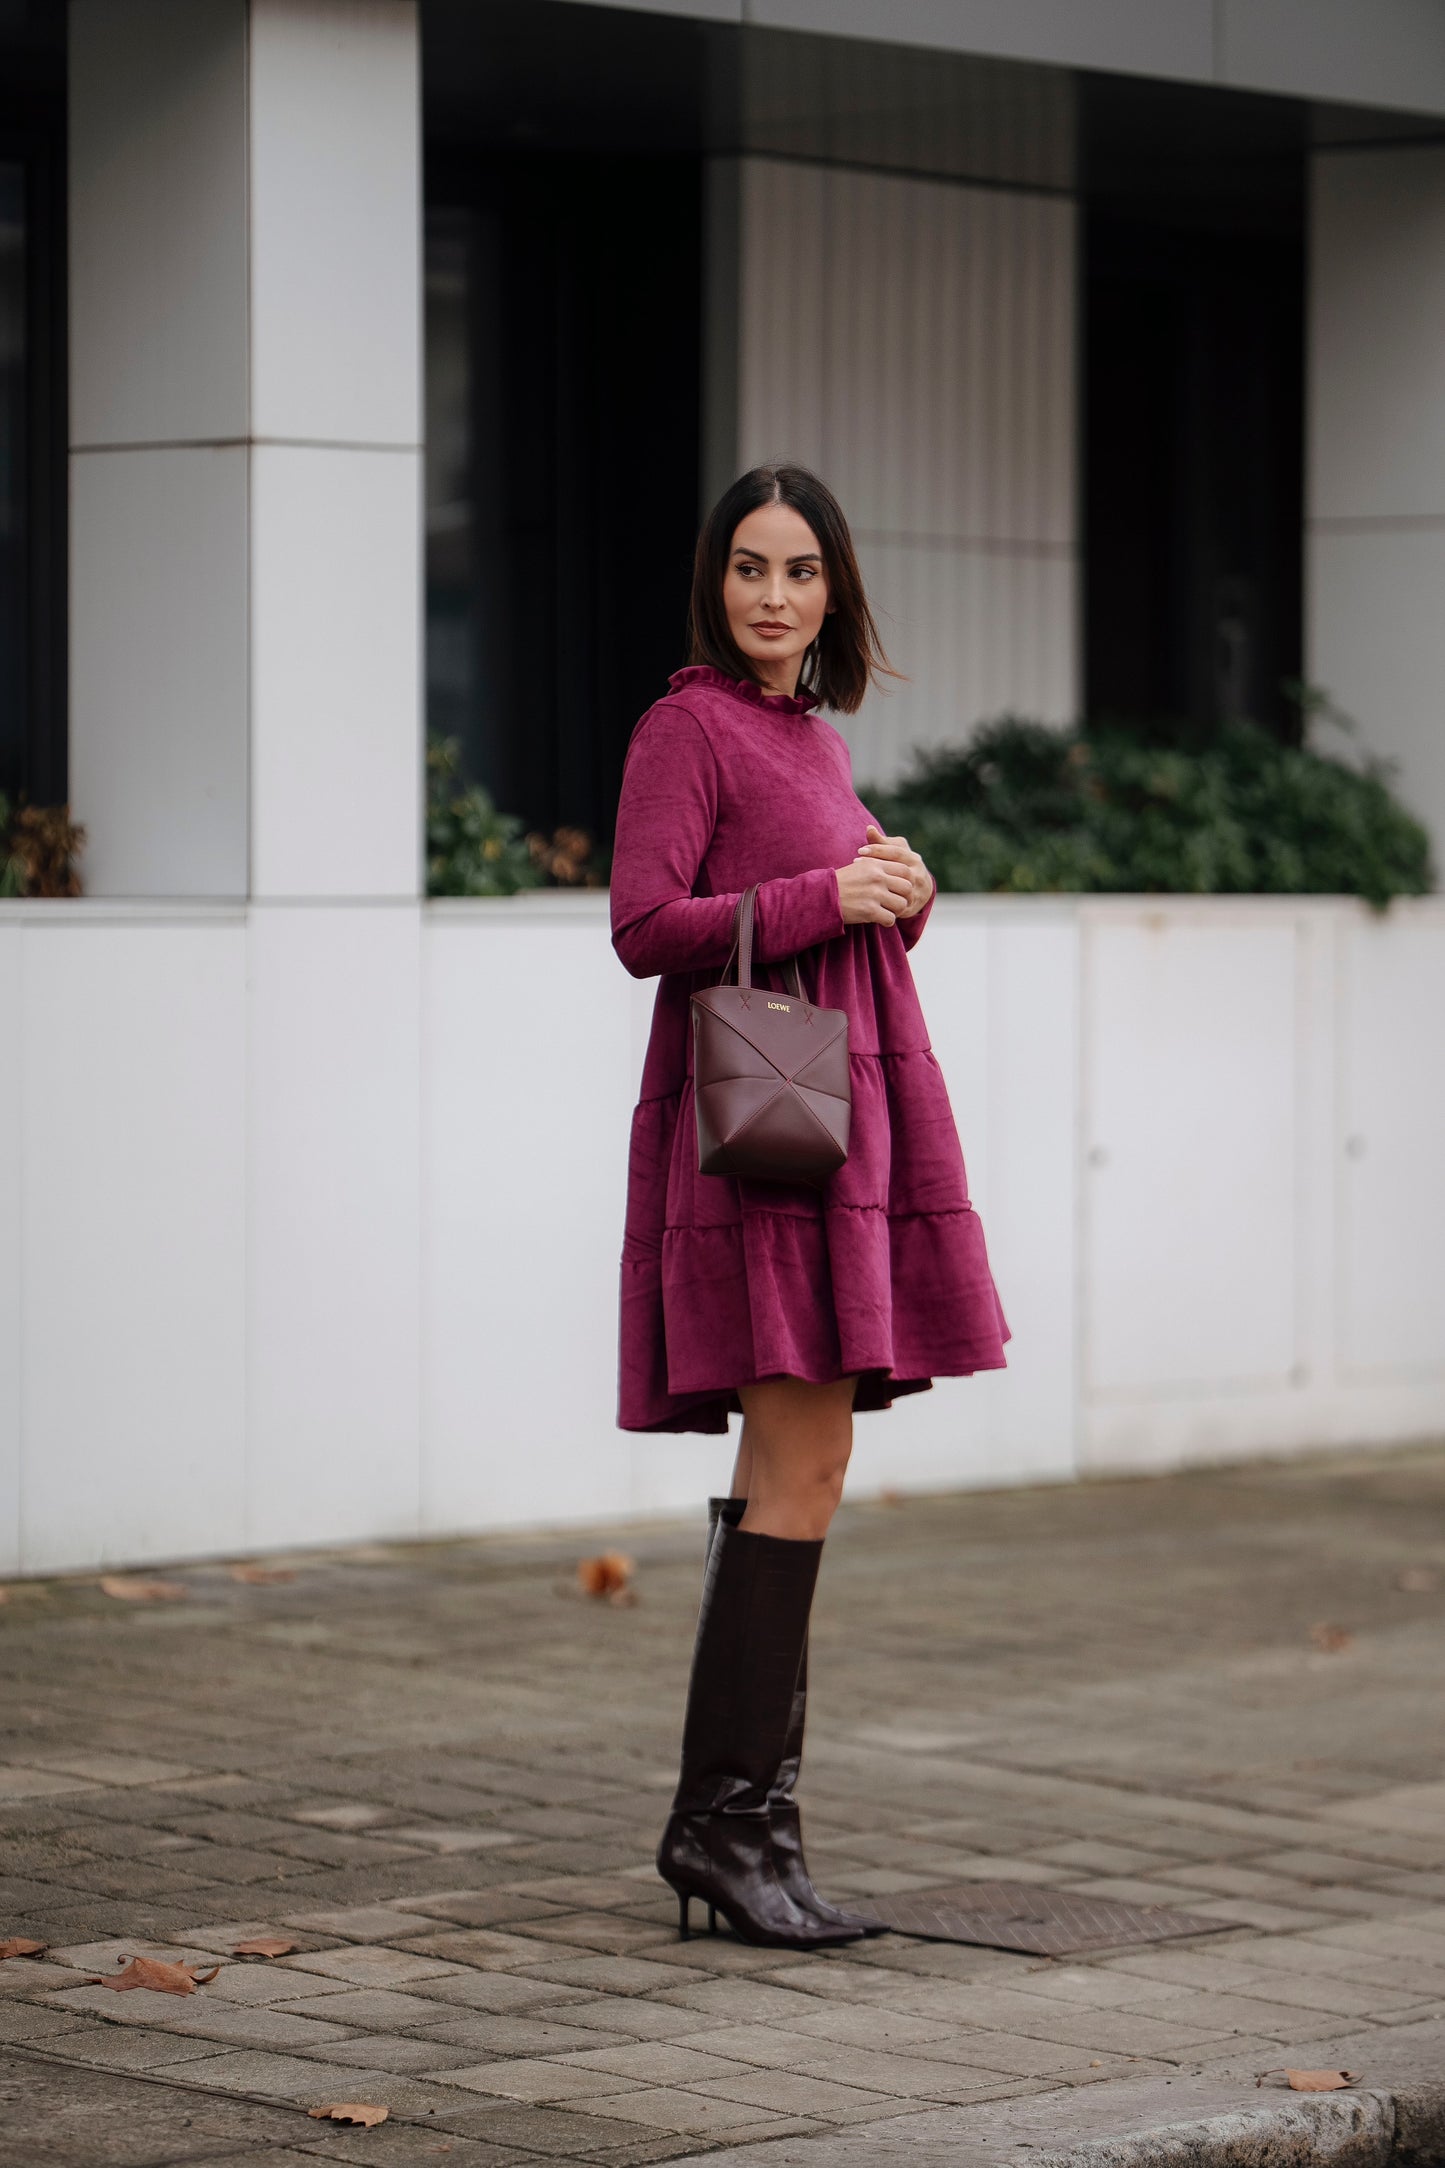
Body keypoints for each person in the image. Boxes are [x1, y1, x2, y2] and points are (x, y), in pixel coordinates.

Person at [609, 465, 1010, 1949]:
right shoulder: (685, 726)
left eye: (798, 572)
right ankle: (724, 1828)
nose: (771, 597)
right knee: (796, 1470)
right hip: (769, 1138)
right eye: (747, 569)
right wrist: (817, 903)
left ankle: (743, 1829)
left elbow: (828, 885)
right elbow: (644, 926)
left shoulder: (812, 738)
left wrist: (896, 885)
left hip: (838, 1130)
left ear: (832, 591)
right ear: (714, 585)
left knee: (806, 1473)